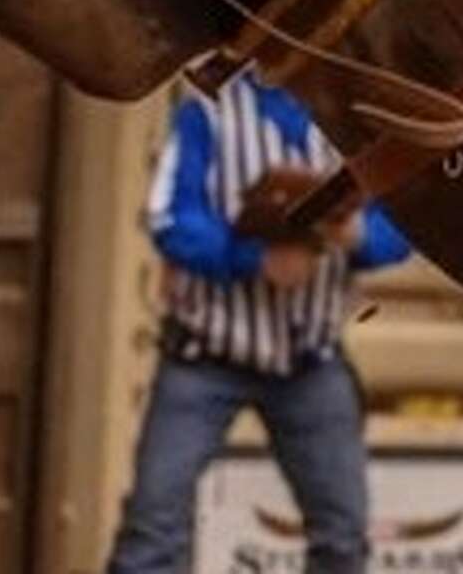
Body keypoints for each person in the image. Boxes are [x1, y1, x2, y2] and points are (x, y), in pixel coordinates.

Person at [106, 66, 411, 574]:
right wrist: (251, 259)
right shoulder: (206, 110)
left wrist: (355, 235)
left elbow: (399, 230)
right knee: (152, 531)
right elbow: (170, 218)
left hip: (311, 358)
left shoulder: (350, 120)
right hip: (205, 355)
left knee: (342, 537)